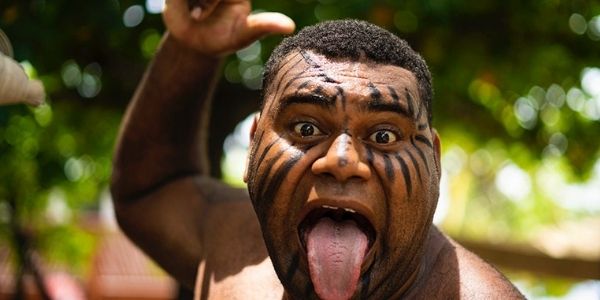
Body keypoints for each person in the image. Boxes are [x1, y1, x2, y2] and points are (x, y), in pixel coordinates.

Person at [110, 0, 524, 299]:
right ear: (254, 145)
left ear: (434, 160)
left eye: (383, 136)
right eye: (306, 127)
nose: (342, 161)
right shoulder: (232, 244)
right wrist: (189, 50)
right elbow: (148, 191)